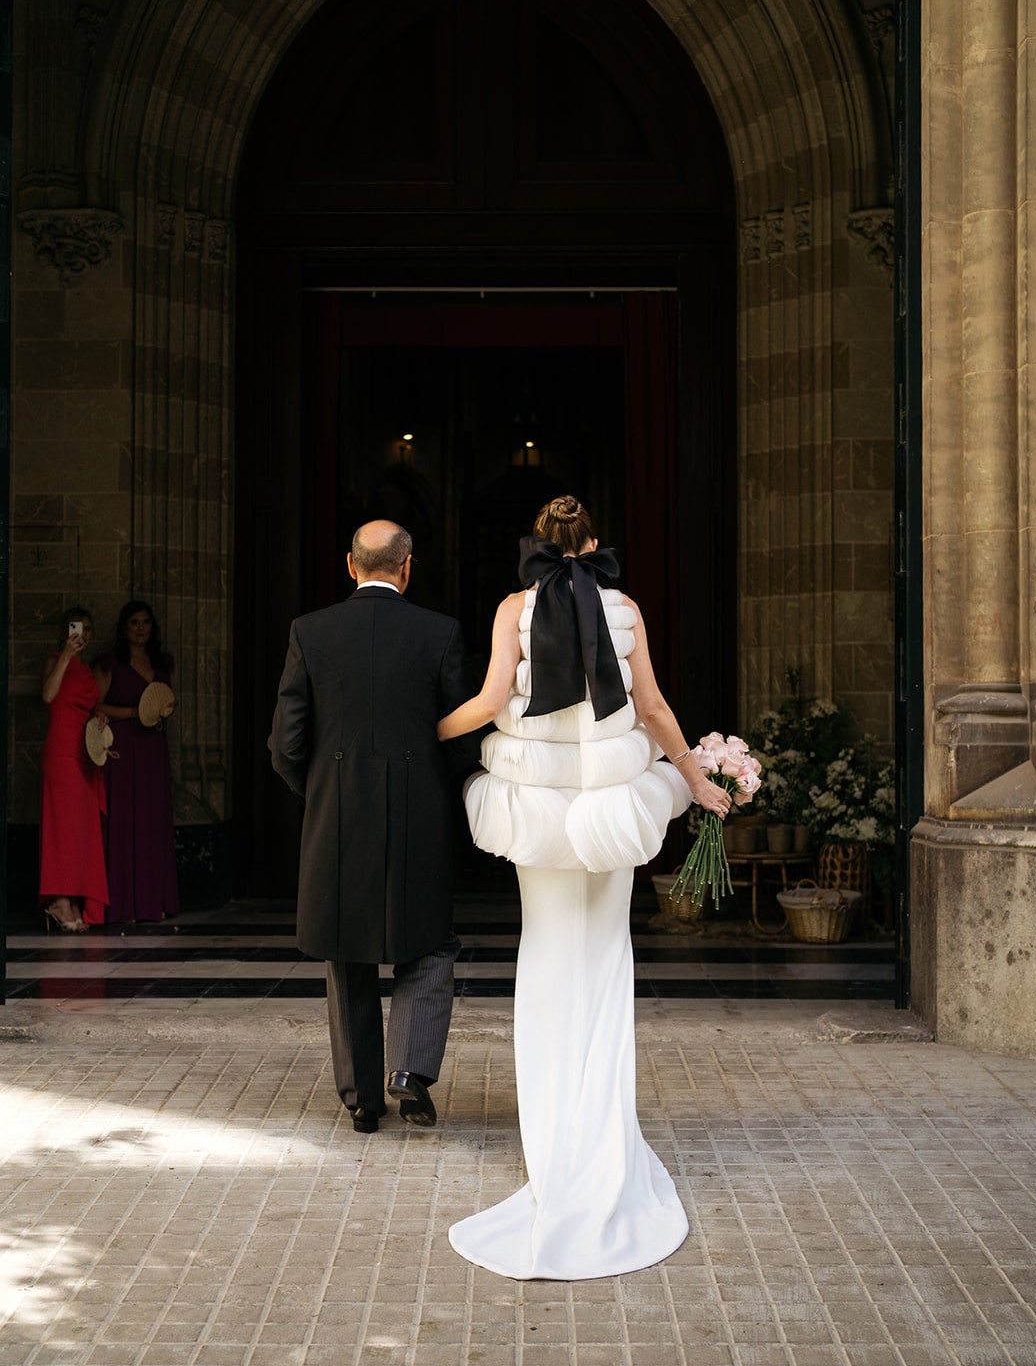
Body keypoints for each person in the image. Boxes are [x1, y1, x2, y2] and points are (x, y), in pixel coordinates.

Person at [439, 495, 732, 1281]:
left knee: (545, 957)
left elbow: (492, 702)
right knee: (604, 961)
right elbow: (655, 708)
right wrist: (698, 781)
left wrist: (423, 730)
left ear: (539, 544)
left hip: (534, 809)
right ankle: (603, 1147)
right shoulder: (624, 607)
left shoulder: (515, 607)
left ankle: (556, 1152)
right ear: (595, 543)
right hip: (611, 809)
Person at [269, 519, 476, 1135]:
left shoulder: (310, 632)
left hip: (337, 816)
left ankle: (363, 1098)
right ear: (407, 567)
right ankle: (410, 1072)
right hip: (421, 816)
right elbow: (463, 736)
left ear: (351, 565)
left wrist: (324, 794)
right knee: (430, 942)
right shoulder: (440, 633)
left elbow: (286, 745)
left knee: (346, 949)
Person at [93, 601, 179, 923]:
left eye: (146, 622)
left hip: (152, 747)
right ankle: (124, 904)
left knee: (151, 821)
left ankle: (152, 901)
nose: (140, 628)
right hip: (123, 749)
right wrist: (133, 714)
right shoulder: (109, 663)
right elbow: (96, 706)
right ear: (124, 628)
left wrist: (158, 714)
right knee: (124, 820)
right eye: (134, 623)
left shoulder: (162, 663)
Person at [39, 606, 109, 933]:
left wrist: (100, 722)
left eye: (89, 628)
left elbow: (91, 707)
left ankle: (77, 895)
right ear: (65, 630)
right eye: (78, 626)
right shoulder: (57, 660)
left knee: (82, 829)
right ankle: (58, 899)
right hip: (61, 751)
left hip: (85, 753)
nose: (84, 633)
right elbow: (49, 695)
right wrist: (66, 656)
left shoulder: (88, 670)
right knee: (62, 825)